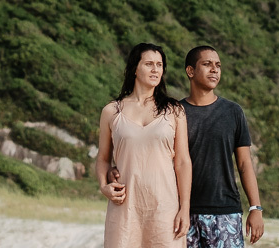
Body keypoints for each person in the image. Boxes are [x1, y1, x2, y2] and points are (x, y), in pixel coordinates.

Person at [110, 45, 265, 247]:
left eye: (218, 65)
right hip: (181, 211)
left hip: (225, 210)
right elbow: (150, 151)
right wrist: (114, 170)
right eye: (207, 64)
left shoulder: (233, 112)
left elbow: (244, 164)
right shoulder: (172, 112)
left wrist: (256, 207)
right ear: (190, 71)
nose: (214, 69)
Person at [97, 42, 192, 248]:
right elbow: (103, 158)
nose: (156, 69)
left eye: (159, 65)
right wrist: (104, 186)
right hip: (124, 207)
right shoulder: (112, 111)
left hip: (165, 208)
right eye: (149, 64)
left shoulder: (174, 111)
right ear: (134, 68)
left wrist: (185, 208)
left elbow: (183, 162)